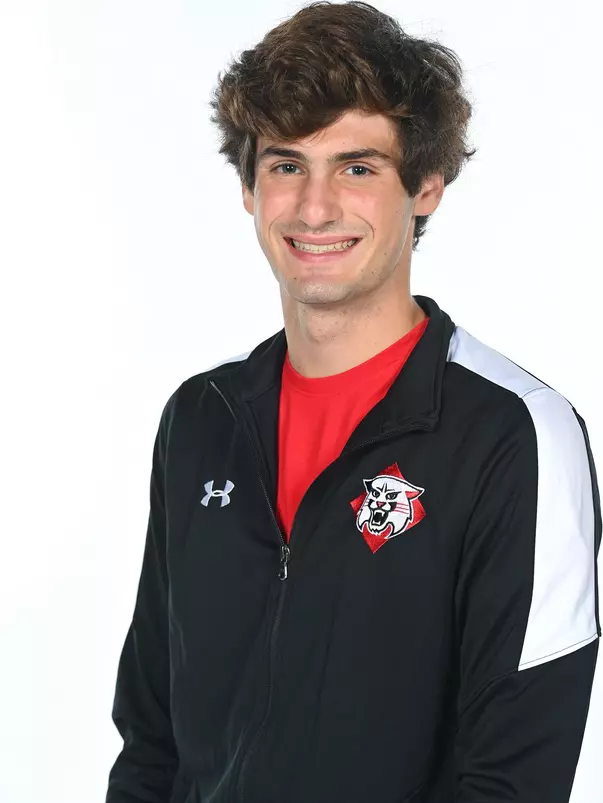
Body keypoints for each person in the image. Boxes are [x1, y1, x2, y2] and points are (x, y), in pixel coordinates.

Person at [105, 2, 601, 801]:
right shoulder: (201, 418)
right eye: (286, 164)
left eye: (358, 167)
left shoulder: (514, 433)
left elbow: (513, 776)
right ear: (248, 187)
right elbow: (151, 742)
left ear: (427, 186)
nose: (314, 208)